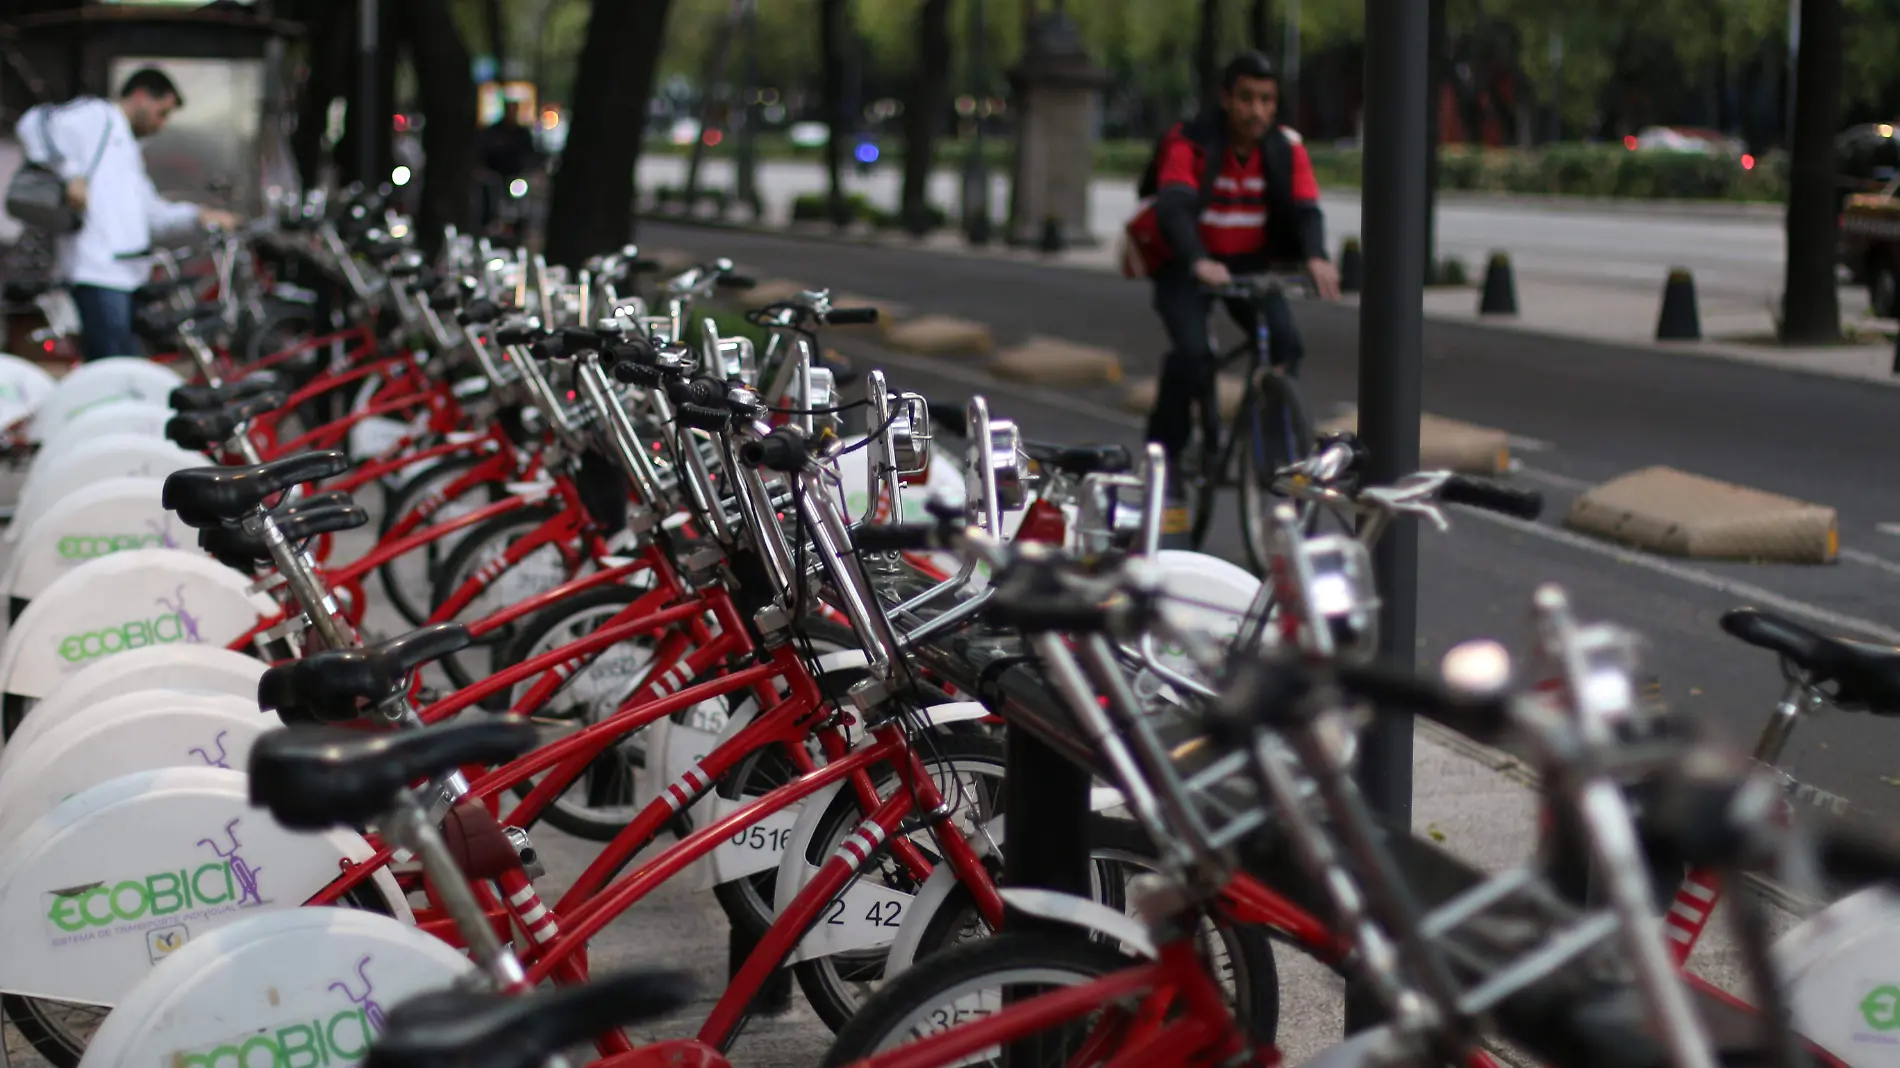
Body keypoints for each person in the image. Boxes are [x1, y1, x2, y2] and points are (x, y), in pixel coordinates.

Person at [1143, 51, 1340, 466]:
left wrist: (1316, 257)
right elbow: (1174, 207)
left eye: (1267, 100)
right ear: (1226, 99)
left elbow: (1306, 208)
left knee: (1285, 344)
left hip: (1248, 264)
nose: (1257, 111)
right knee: (1194, 354)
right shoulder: (1190, 142)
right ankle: (1166, 454)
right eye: (1247, 98)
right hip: (1187, 263)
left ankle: (1273, 451)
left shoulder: (1286, 148)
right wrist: (1197, 260)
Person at [20, 68, 239, 362]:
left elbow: (151, 214)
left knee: (126, 369)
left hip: (127, 279)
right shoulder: (98, 116)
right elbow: (33, 124)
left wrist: (198, 215)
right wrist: (70, 174)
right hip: (98, 275)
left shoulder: (128, 149)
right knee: (112, 373)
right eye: (162, 113)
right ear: (140, 97)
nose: (162, 125)